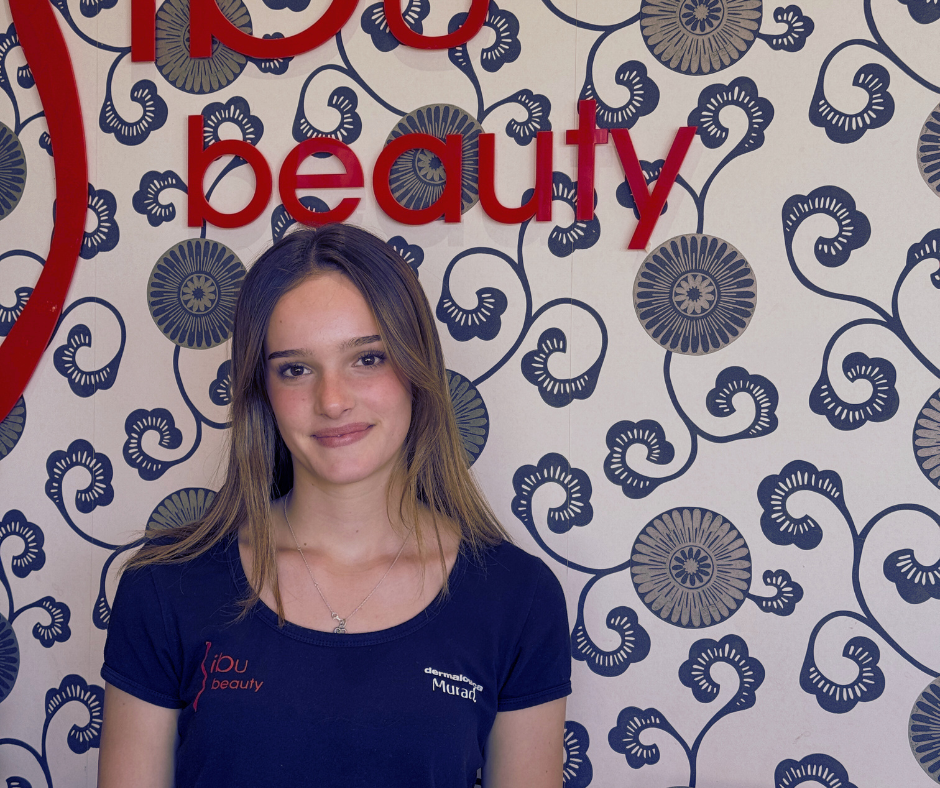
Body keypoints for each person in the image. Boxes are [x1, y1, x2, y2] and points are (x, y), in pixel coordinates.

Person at [98, 224, 571, 787]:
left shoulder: (518, 598)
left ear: (417, 368)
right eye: (295, 369)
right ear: (262, 392)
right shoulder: (165, 587)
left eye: (367, 358)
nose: (332, 400)